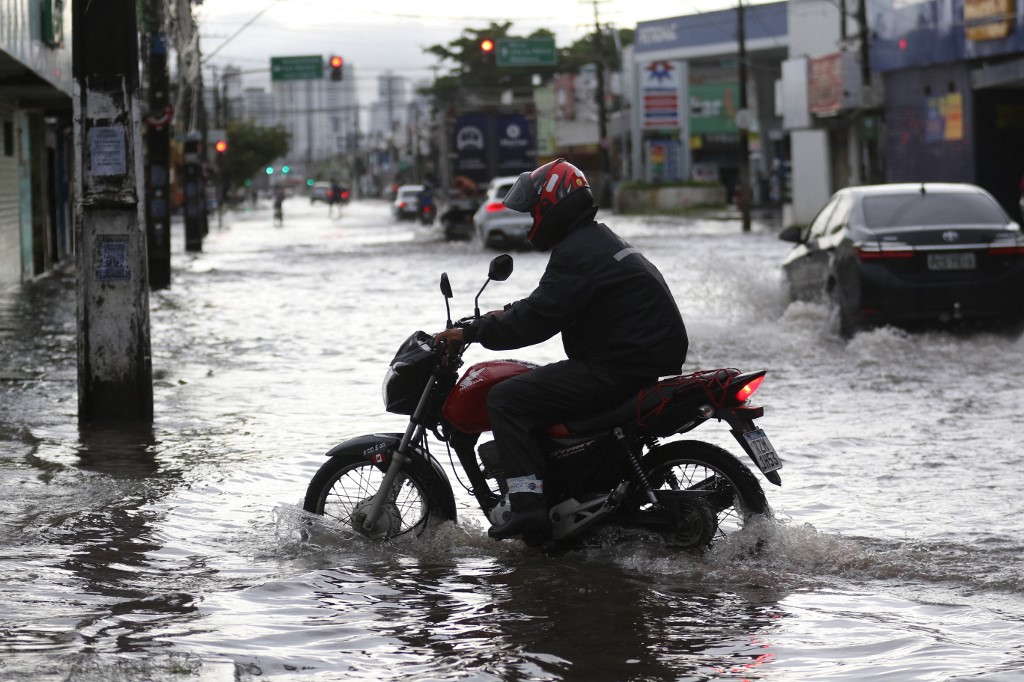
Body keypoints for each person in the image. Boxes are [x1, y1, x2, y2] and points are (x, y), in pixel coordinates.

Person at [432, 159, 689, 540]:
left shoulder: (578, 251)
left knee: (505, 398)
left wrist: (475, 332)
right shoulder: (594, 241)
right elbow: (549, 301)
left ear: (554, 204)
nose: (532, 218)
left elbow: (540, 318)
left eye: (535, 209)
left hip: (615, 367)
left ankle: (528, 507)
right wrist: (499, 315)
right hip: (634, 362)